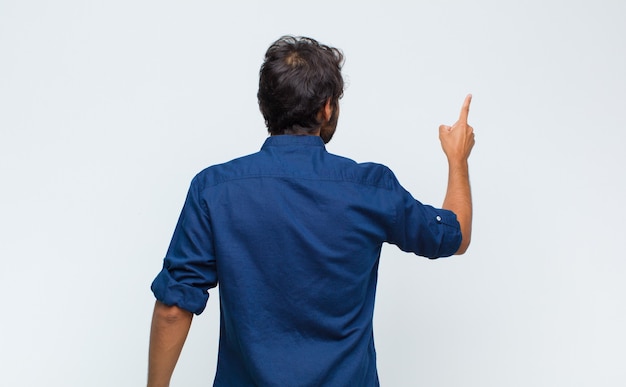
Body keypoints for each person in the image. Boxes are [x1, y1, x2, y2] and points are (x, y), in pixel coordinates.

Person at [148, 35, 474, 387]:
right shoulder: (370, 188)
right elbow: (454, 236)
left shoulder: (214, 189)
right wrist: (457, 160)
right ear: (327, 108)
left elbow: (172, 308)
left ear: (265, 106)